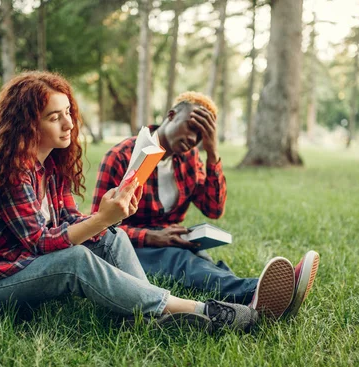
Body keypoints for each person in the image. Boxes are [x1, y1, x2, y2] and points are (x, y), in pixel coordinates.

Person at [0, 71, 285, 333]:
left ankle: (152, 315)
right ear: (25, 124)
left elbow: (72, 219)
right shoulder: (11, 170)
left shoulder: (50, 167)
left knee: (111, 237)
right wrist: (103, 218)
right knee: (76, 261)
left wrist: (109, 218)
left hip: (16, 265)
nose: (69, 123)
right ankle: (198, 310)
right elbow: (40, 242)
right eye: (54, 117)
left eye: (68, 112)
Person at [92, 92, 320, 319]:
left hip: (171, 241)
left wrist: (212, 153)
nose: (194, 139)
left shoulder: (188, 158)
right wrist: (151, 236)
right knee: (183, 262)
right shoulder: (121, 156)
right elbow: (98, 230)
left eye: (202, 136)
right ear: (171, 115)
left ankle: (260, 305)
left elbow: (214, 208)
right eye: (192, 128)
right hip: (129, 247)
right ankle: (257, 291)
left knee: (205, 263)